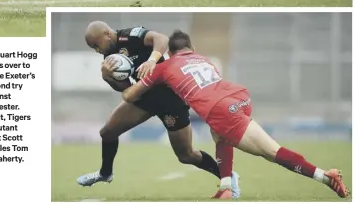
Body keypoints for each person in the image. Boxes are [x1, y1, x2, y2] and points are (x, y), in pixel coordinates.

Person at [122, 30, 350, 199]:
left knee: (271, 152)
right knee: (219, 134)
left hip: (221, 109)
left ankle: (324, 176)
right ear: (190, 48)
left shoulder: (164, 67)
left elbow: (129, 96)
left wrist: (124, 75)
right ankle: (225, 187)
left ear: (170, 52)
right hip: (238, 96)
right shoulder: (204, 59)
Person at [77, 21, 241, 197]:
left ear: (107, 34)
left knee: (186, 155)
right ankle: (105, 173)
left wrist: (151, 60)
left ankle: (228, 176)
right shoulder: (109, 55)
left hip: (170, 98)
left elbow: (161, 38)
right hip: (144, 97)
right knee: (107, 132)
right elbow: (124, 87)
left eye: (96, 45)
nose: (96, 50)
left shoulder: (130, 35)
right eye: (92, 48)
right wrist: (108, 77)